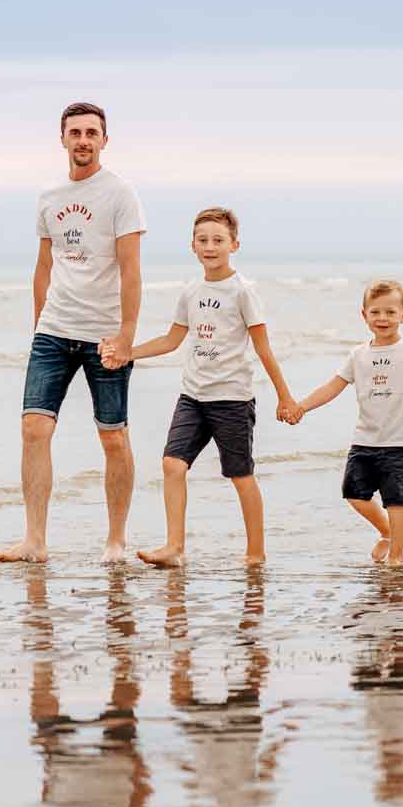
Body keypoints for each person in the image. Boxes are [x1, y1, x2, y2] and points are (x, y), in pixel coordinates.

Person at [0, 101, 146, 564]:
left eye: (91, 133)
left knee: (113, 437)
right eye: (75, 132)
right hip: (54, 331)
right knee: (33, 429)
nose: (83, 140)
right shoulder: (49, 196)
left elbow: (131, 270)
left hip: (105, 335)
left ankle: (116, 541)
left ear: (104, 140)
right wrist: (40, 322)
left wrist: (125, 335)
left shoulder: (120, 193)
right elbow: (43, 265)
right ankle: (34, 541)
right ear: (62, 139)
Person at [120, 207, 298, 568]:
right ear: (192, 246)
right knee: (172, 464)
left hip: (231, 399)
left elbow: (263, 349)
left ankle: (255, 553)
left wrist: (285, 397)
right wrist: (129, 353)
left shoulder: (243, 292)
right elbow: (173, 339)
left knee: (240, 474)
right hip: (193, 396)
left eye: (218, 240)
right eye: (203, 240)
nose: (210, 246)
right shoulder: (190, 291)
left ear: (234, 244)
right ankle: (174, 547)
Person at [289, 278, 403, 566]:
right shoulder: (358, 354)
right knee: (354, 494)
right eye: (376, 312)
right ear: (364, 315)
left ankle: (397, 556)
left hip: (397, 442)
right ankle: (386, 532)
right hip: (364, 440)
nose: (383, 318)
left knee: (396, 501)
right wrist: (302, 407)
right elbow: (332, 387)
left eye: (391, 312)